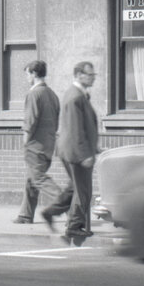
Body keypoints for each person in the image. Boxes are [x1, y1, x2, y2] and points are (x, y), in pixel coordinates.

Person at [41, 61, 99, 246]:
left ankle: (51, 212)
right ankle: (73, 226)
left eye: (93, 75)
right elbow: (75, 129)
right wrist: (85, 155)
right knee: (83, 191)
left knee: (74, 188)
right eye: (89, 74)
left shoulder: (79, 95)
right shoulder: (75, 97)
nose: (93, 77)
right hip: (75, 151)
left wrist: (93, 147)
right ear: (79, 75)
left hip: (72, 148)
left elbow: (83, 126)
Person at [14, 60, 62, 226]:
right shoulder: (52, 95)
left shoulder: (34, 94)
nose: (27, 77)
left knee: (38, 178)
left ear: (34, 74)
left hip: (35, 145)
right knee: (31, 178)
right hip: (49, 144)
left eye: (27, 73)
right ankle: (25, 215)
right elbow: (56, 122)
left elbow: (30, 121)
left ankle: (65, 202)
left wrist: (25, 143)